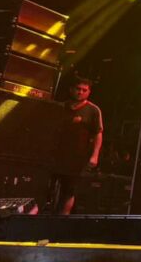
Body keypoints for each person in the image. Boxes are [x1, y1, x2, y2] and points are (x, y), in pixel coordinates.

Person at [50, 77, 103, 215]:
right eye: (78, 89)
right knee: (48, 186)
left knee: (69, 190)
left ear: (89, 92)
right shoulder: (60, 107)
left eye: (84, 90)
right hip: (56, 154)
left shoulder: (93, 110)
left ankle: (63, 219)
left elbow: (98, 133)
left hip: (77, 157)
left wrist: (95, 155)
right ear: (71, 89)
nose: (80, 92)